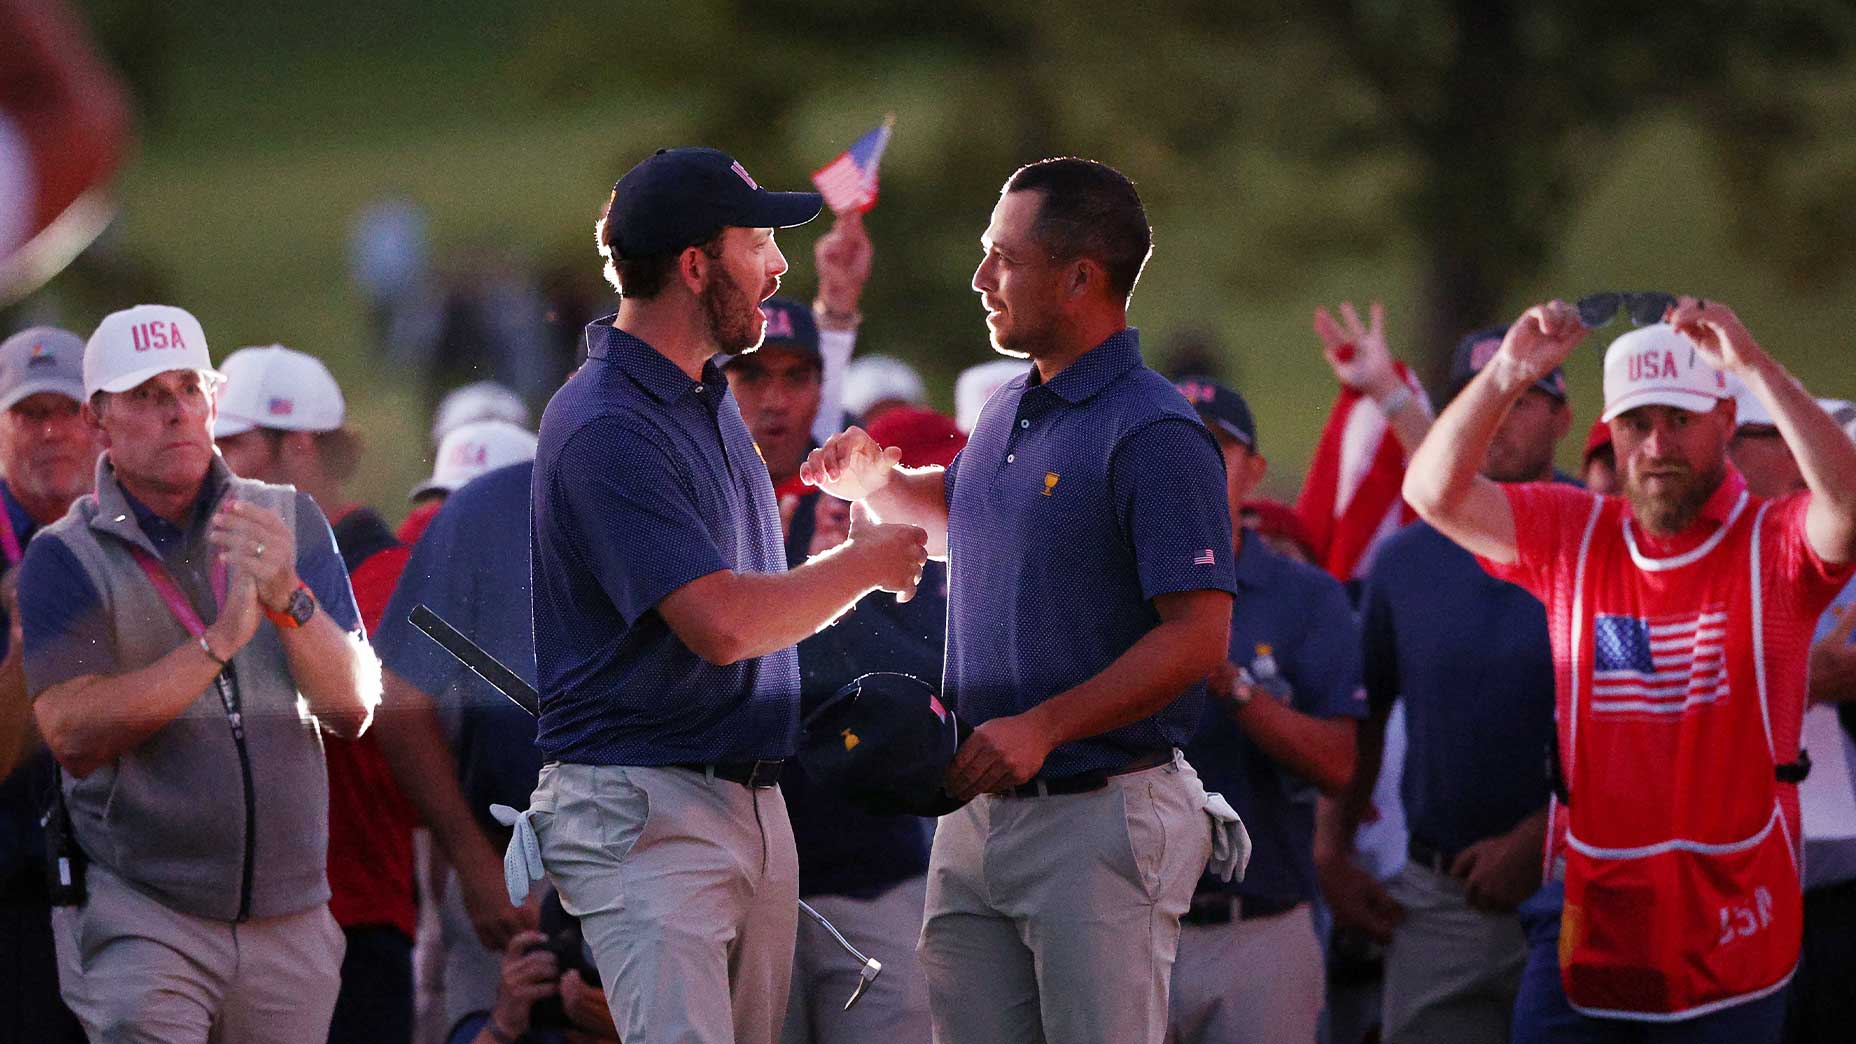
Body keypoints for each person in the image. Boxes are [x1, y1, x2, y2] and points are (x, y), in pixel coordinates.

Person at [803, 157, 1237, 1044]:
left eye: (1004, 257)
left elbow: (1197, 638)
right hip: (975, 816)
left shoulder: (1154, 431)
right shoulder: (1012, 403)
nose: (981, 278)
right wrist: (875, 479)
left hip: (1099, 816)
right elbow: (961, 517)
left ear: (1080, 277)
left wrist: (1046, 726)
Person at [522, 146, 928, 1044]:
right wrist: (862, 569)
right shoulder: (607, 422)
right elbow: (720, 623)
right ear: (697, 266)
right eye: (758, 243)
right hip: (651, 812)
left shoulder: (699, 397)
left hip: (734, 801)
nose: (778, 264)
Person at [1402, 298, 1856, 1042]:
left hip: (1734, 927)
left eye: (1679, 420)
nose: (1655, 446)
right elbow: (1432, 494)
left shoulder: (1774, 544)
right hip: (1597, 919)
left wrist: (1753, 367)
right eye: (1636, 424)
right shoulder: (1573, 533)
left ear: (1723, 422)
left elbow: (1850, 504)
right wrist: (1509, 372)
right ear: (1611, 431)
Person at [22, 303, 380, 1042]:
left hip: (292, 916)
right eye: (148, 396)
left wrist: (291, 599)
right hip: (148, 914)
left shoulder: (290, 519)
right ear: (99, 422)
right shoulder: (66, 554)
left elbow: (354, 704)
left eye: (189, 388)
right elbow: (71, 732)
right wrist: (215, 645)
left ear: (213, 400)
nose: (176, 413)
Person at [1319, 321, 1569, 1044]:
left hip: (1582, 881)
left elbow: (1641, 720)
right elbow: (1364, 717)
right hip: (1440, 897)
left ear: (1563, 416)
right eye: (1481, 399)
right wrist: (1331, 847)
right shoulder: (1404, 562)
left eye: (1522, 397)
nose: (1498, 417)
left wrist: (1541, 835)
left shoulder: (1608, 534)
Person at [723, 294, 938, 1044]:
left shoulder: (867, 503)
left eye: (796, 376)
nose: (775, 401)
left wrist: (848, 582)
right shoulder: (691, 510)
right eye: (751, 378)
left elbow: (927, 673)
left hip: (874, 869)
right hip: (738, 881)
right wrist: (810, 583)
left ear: (822, 389)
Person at [211, 342, 420, 1044]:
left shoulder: (393, 577)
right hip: (235, 916)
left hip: (357, 916)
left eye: (231, 442)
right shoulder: (214, 573)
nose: (210, 464)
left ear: (298, 448)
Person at [1166, 378, 1365, 1044]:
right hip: (1127, 927)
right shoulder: (1101, 585)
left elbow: (1339, 764)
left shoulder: (1305, 597)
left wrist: (1236, 687)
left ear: (1254, 471)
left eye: (1214, 448)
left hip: (1263, 929)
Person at [1721, 380, 1856, 1044]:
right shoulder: (1707, 550)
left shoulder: (1838, 548)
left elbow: (1840, 672)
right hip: (1726, 882)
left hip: (1837, 886)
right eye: (1769, 434)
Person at [0, 326, 98, 1044]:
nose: (53, 433)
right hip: (11, 892)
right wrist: (28, 642)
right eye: (30, 414)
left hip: (134, 884)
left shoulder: (140, 529)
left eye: (69, 411)